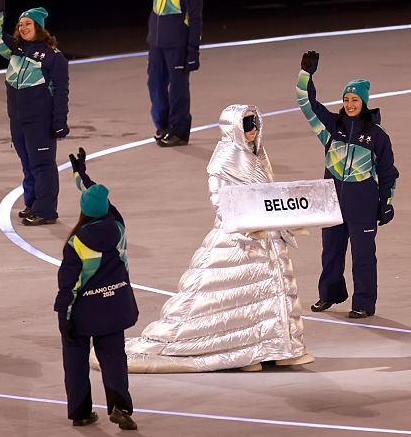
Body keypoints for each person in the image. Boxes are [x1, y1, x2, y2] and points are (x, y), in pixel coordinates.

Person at [120, 105, 314, 372]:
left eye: (254, 123)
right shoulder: (225, 157)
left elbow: (268, 192)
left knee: (269, 291)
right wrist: (244, 226)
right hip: (240, 235)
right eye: (246, 125)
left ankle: (277, 347)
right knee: (237, 296)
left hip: (264, 232)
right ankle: (243, 351)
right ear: (234, 127)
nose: (253, 129)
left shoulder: (257, 153)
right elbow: (220, 201)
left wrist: (283, 220)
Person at [297, 51, 399, 319]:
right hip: (332, 201)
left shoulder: (377, 135)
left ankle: (364, 302)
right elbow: (306, 103)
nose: (350, 104)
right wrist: (306, 75)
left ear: (364, 102)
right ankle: (328, 295)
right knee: (330, 252)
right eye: (346, 99)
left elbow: (388, 172)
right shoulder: (332, 125)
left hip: (362, 202)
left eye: (355, 99)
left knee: (363, 256)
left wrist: (385, 203)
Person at [57, 148, 138, 430]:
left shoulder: (76, 242)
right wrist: (83, 176)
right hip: (115, 306)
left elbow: (69, 285)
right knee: (114, 358)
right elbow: (104, 200)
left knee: (75, 360)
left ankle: (80, 411)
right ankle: (119, 407)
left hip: (83, 312)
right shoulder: (118, 228)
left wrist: (64, 318)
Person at [106, 0, 203, 147]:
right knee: (155, 88)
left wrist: (193, 52)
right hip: (157, 46)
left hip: (178, 47)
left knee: (178, 92)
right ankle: (163, 125)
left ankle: (180, 131)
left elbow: (196, 22)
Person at [0, 0, 69, 226]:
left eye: (28, 23)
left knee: (42, 165)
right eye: (20, 24)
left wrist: (59, 122)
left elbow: (61, 92)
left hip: (39, 121)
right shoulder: (16, 50)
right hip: (18, 119)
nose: (22, 27)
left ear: (39, 26)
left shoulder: (54, 57)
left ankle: (46, 210)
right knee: (27, 163)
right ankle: (32, 202)